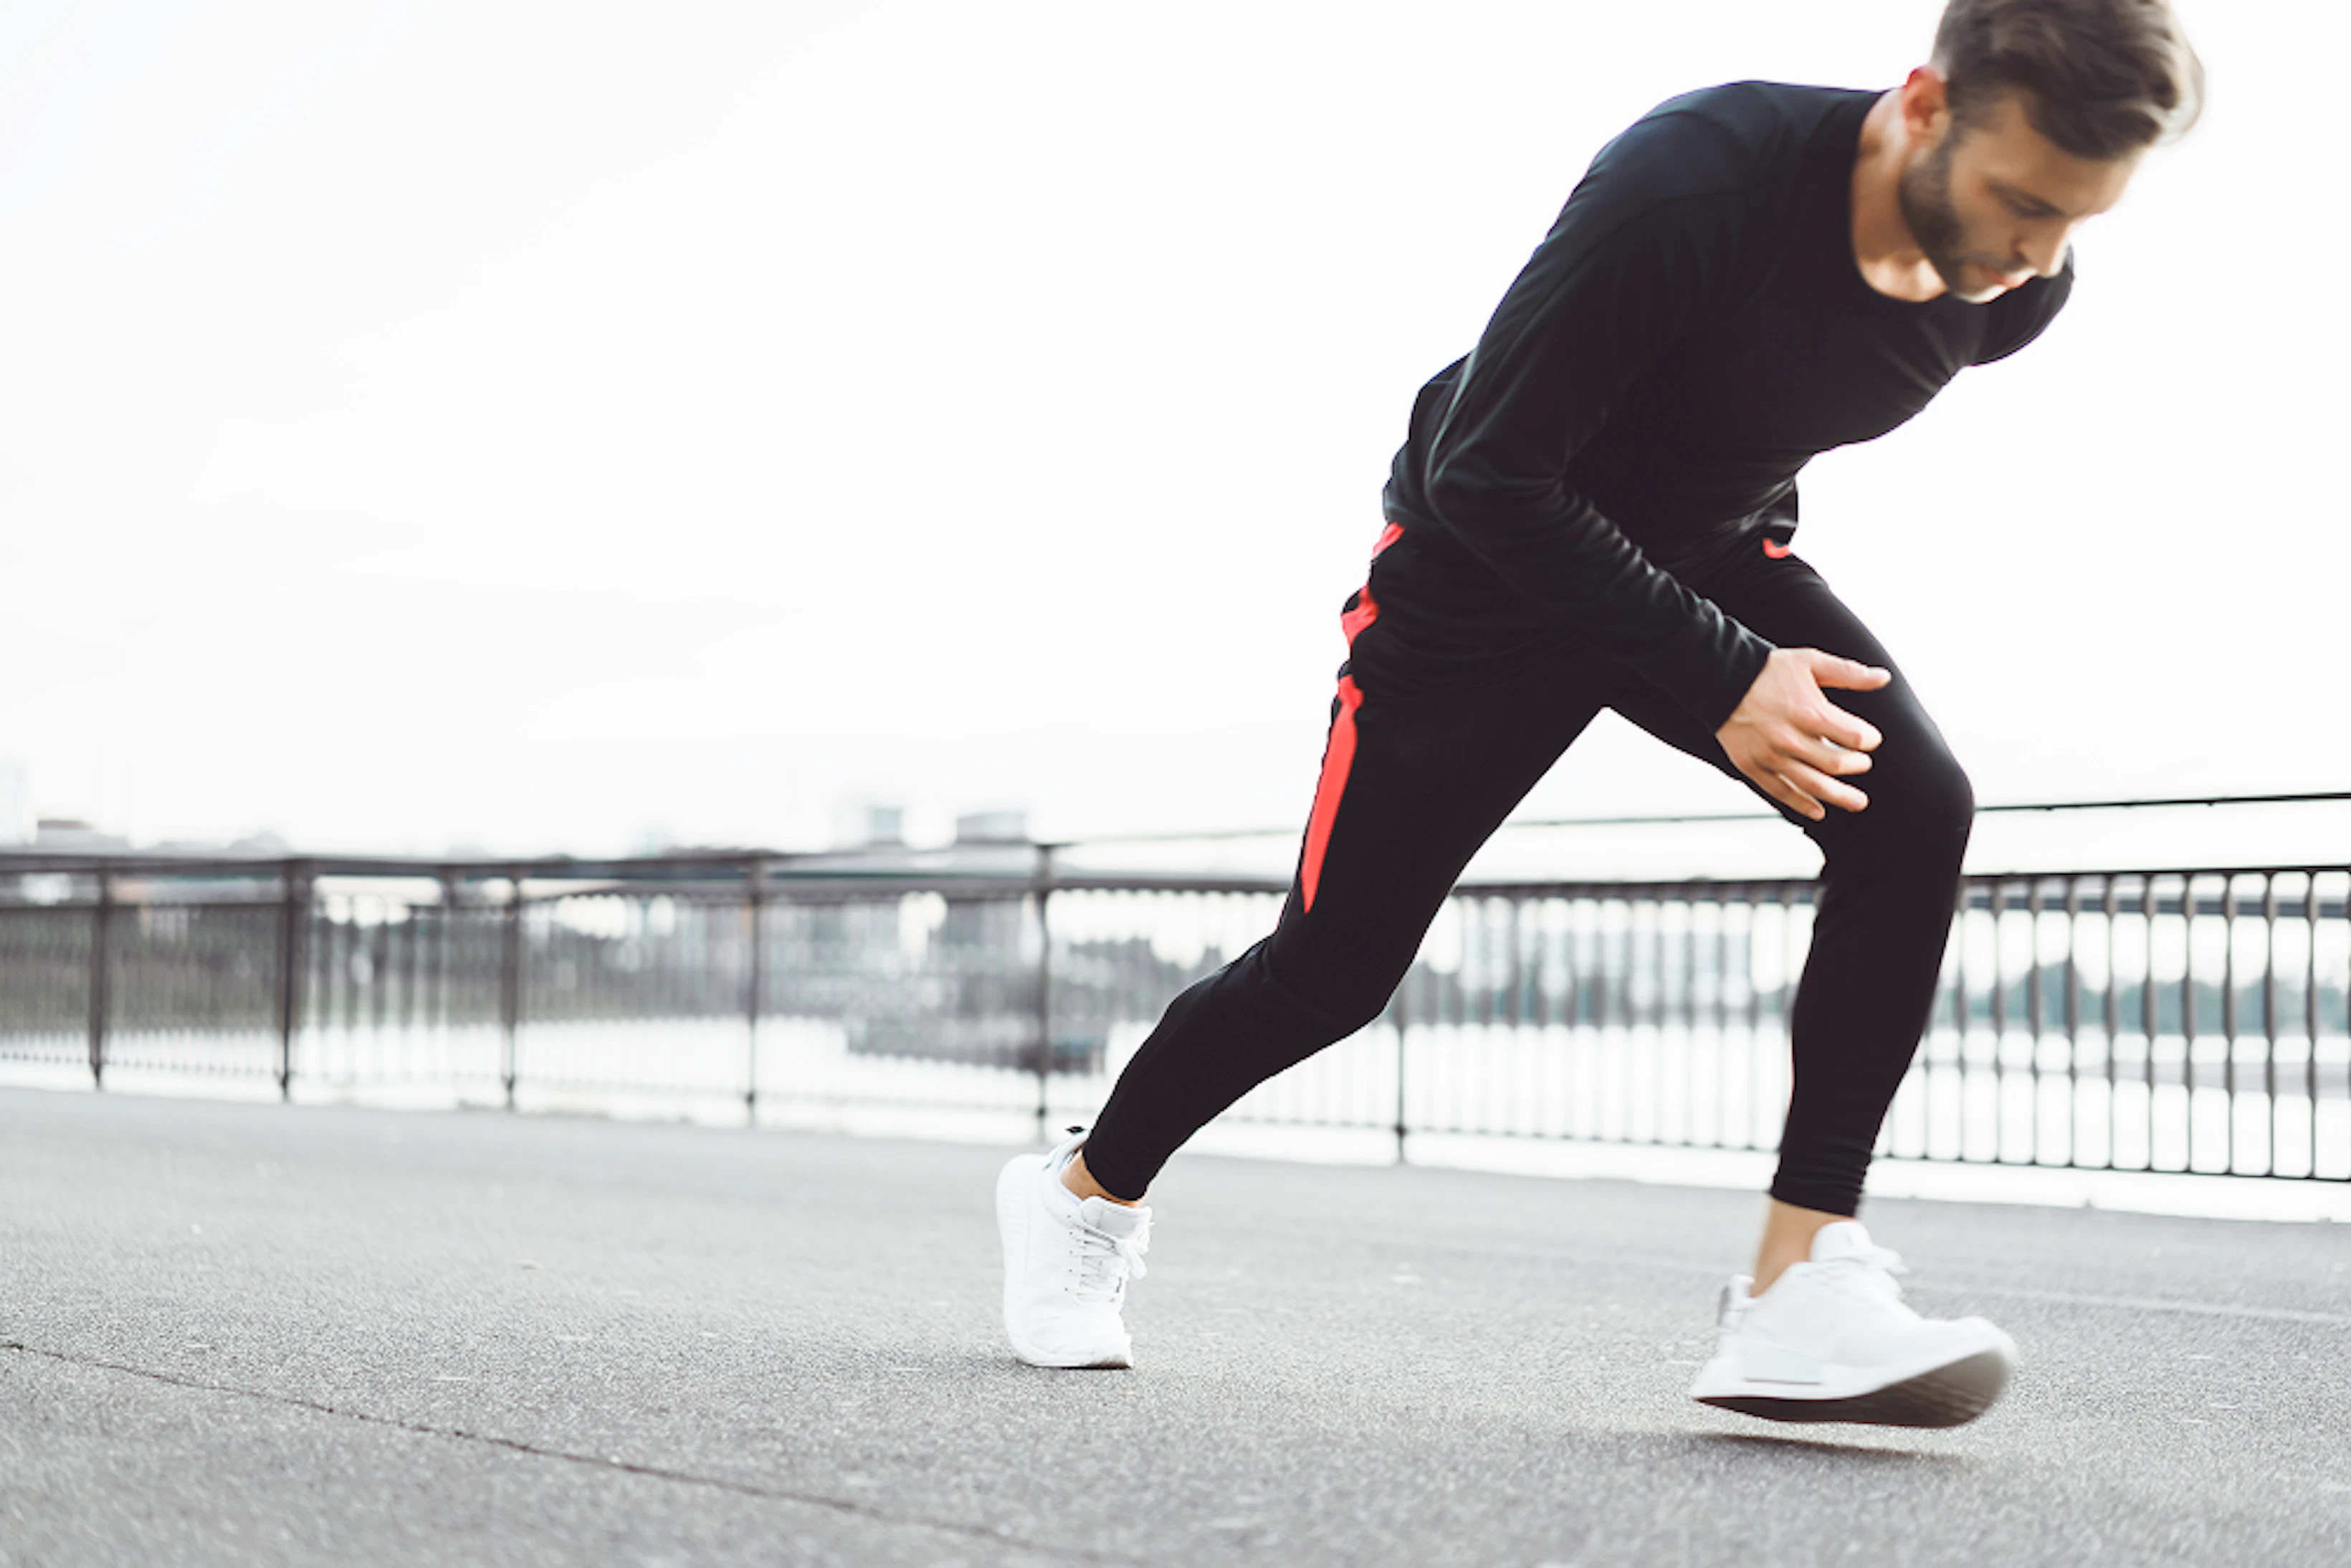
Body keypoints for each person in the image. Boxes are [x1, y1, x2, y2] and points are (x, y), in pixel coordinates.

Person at [996, 0, 2202, 1426]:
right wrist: (1720, 671)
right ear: (1924, 105)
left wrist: (1723, 619)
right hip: (1475, 587)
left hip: (1702, 561)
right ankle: (1081, 1197)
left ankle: (1795, 1284)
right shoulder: (1698, 178)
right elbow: (1483, 469)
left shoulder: (2007, 291)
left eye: (2075, 222)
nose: (2035, 258)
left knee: (1911, 808)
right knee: (1332, 972)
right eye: (2021, 205)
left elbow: (1746, 412)